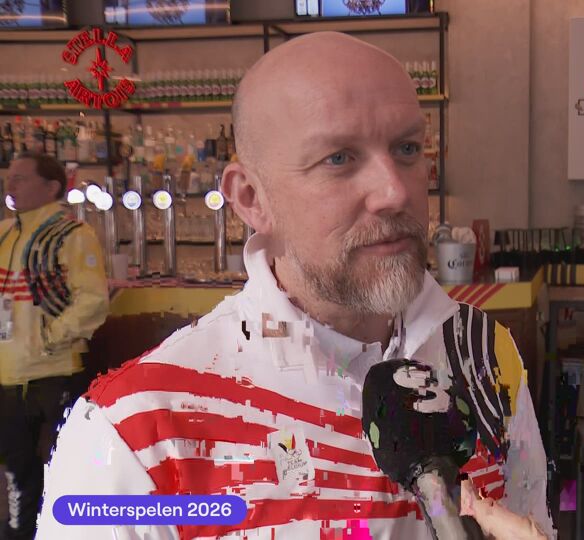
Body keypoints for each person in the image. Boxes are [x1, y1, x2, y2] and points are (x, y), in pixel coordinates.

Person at [37, 33, 553, 539]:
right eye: (338, 158)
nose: (395, 191)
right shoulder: (134, 430)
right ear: (251, 198)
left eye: (407, 148)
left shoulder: (484, 355)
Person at [0, 152, 109, 539]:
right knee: (17, 471)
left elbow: (93, 300)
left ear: (51, 187)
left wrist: (48, 339)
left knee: (67, 465)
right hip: (9, 376)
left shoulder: (71, 234)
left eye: (21, 178)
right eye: (10, 177)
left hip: (56, 372)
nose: (11, 184)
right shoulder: (5, 233)